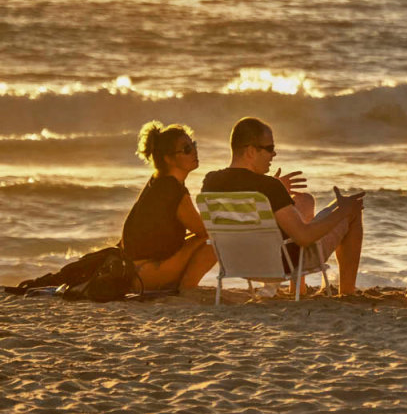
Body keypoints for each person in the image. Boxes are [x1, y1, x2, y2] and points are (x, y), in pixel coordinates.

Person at [201, 117, 365, 295]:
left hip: (237, 263)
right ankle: (348, 292)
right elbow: (304, 237)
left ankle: (298, 289)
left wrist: (276, 193)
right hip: (283, 265)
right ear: (250, 151)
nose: (274, 154)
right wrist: (342, 211)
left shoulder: (211, 181)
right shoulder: (268, 187)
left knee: (304, 201)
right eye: (269, 148)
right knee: (352, 207)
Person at [121, 121, 217, 291]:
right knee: (216, 239)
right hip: (146, 275)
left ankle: (182, 287)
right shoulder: (173, 189)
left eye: (193, 145)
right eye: (186, 149)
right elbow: (204, 231)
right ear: (169, 159)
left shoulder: (157, 182)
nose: (194, 151)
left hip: (133, 271)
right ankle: (187, 288)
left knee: (204, 237)